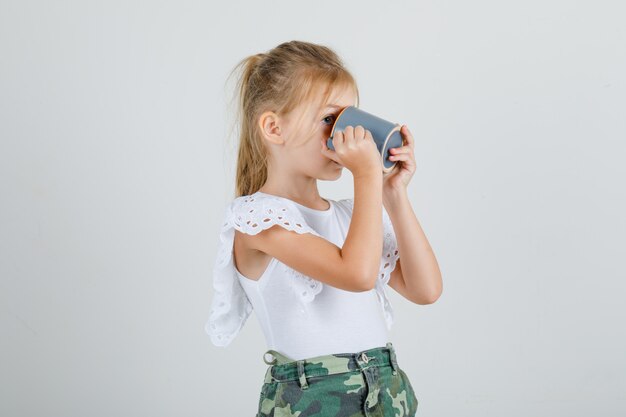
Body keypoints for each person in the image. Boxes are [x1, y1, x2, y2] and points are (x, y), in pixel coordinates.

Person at [205, 40, 442, 417]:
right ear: (273, 127)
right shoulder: (257, 220)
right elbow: (356, 274)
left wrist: (391, 193)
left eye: (351, 118)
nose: (347, 135)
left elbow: (425, 289)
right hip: (312, 402)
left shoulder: (352, 216)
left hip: (385, 395)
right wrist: (365, 175)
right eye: (330, 120)